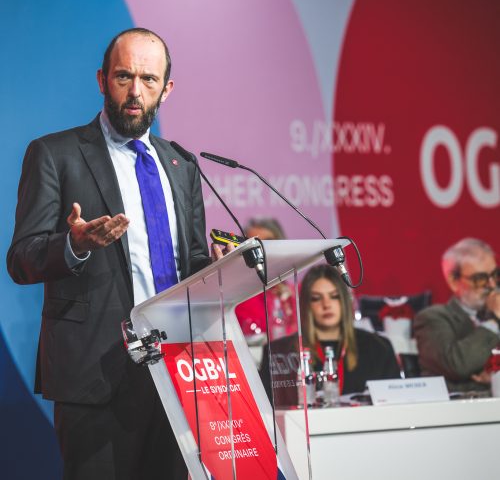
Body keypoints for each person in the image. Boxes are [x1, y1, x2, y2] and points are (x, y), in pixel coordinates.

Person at [6, 28, 216, 480]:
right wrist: (74, 246)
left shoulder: (181, 165)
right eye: (124, 76)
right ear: (102, 80)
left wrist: (219, 269)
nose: (135, 91)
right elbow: (21, 258)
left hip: (177, 373)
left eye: (148, 79)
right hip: (94, 379)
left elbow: (195, 263)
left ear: (167, 89)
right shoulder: (55, 154)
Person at [260, 265, 400, 406]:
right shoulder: (278, 352)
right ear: (306, 304)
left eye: (334, 296)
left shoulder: (379, 348)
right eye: (316, 298)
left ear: (345, 300)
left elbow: (396, 406)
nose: (326, 304)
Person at [414, 238, 500, 392]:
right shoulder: (432, 318)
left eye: (495, 275)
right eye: (480, 279)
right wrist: (494, 321)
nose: (492, 285)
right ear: (454, 281)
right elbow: (457, 365)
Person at [235, 218, 296, 343]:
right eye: (254, 245)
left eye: (268, 243)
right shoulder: (236, 299)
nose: (261, 251)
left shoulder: (295, 294)